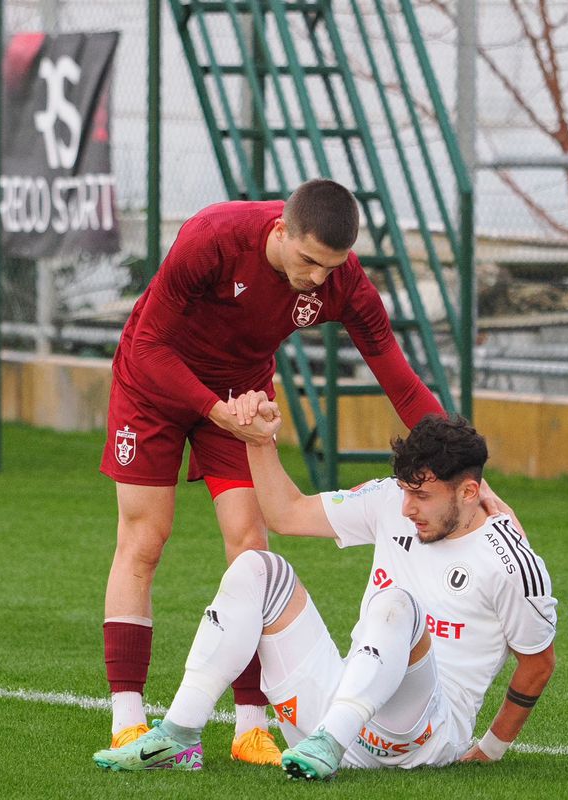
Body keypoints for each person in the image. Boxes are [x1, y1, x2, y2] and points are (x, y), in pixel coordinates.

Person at [99, 178, 466, 763]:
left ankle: (251, 728)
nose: (319, 278)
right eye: (309, 261)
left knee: (251, 546)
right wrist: (215, 410)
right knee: (145, 539)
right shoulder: (212, 238)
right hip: (154, 387)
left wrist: (463, 469)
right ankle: (127, 720)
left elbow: (397, 377)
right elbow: (149, 347)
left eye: (332, 266)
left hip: (241, 398)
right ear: (280, 231)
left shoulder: (342, 279)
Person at [94, 398, 557, 779]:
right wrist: (259, 441)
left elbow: (538, 664)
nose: (407, 507)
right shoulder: (389, 501)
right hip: (337, 711)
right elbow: (287, 514)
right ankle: (179, 736)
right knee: (256, 567)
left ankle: (330, 741)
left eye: (422, 496)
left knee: (396, 603)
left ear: (469, 492)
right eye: (404, 490)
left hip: (421, 736)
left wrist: (491, 748)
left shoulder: (511, 561)